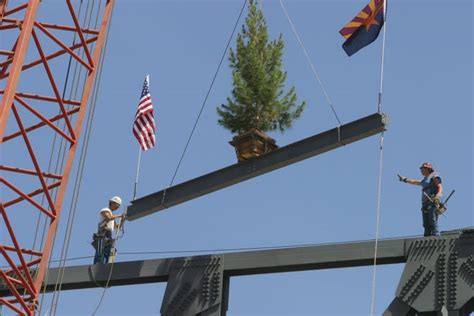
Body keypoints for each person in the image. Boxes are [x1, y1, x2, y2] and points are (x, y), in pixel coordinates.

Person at [398, 162, 443, 237]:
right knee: (426, 223)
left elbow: (440, 187)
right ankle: (427, 237)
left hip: (432, 202)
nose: (421, 170)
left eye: (422, 169)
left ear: (427, 169)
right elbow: (415, 182)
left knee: (432, 220)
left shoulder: (434, 176)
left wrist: (438, 197)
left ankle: (436, 236)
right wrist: (404, 179)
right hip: (425, 204)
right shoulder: (425, 180)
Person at [93, 196, 124, 264]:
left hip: (108, 235)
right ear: (112, 203)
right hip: (103, 234)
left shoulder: (112, 214)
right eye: (117, 205)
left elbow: (117, 227)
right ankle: (97, 265)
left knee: (109, 253)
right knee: (100, 252)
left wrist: (122, 220)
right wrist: (119, 216)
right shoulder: (105, 210)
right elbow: (108, 217)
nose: (118, 207)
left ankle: (106, 265)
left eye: (118, 206)